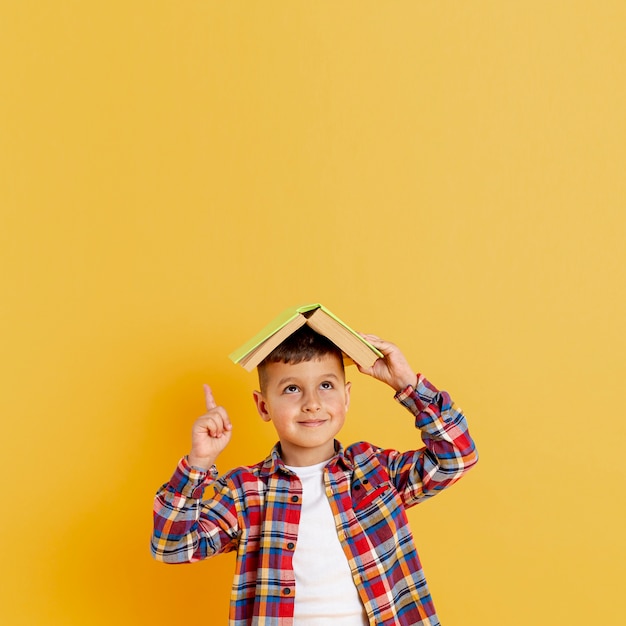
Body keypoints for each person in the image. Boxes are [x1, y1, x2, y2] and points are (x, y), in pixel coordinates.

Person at [151, 325, 478, 625]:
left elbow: (456, 456)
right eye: (292, 389)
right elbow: (173, 546)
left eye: (325, 385)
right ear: (263, 406)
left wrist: (407, 385)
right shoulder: (246, 490)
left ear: (346, 396)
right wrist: (198, 464)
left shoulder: (374, 470)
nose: (312, 403)